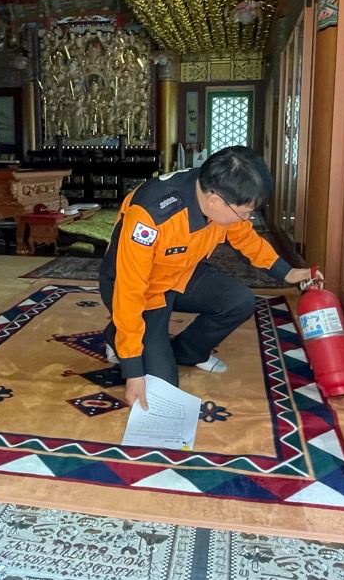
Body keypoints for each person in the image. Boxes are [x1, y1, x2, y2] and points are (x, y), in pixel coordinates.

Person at [100, 146, 320, 410]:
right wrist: (133, 370)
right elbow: (129, 290)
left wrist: (288, 272)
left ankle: (187, 352)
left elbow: (245, 237)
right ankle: (117, 335)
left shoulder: (217, 190)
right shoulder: (151, 215)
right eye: (244, 212)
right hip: (142, 288)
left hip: (183, 272)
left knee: (239, 301)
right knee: (162, 390)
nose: (247, 218)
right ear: (215, 201)